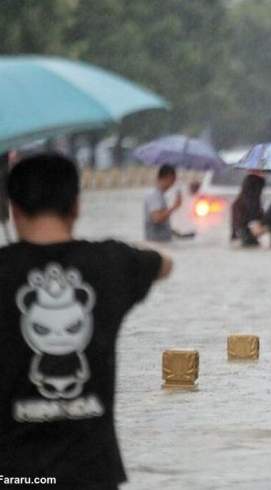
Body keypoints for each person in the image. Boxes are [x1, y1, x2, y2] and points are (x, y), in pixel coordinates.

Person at [0, 153, 172, 488]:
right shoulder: (111, 263)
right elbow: (165, 263)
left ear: (14, 209)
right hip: (93, 475)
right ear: (77, 205)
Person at [144, 164, 182, 242]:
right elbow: (157, 218)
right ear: (168, 177)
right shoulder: (154, 195)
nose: (174, 182)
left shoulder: (160, 195)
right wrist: (174, 206)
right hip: (157, 244)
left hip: (163, 242)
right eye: (173, 179)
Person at [230, 173, 266, 247]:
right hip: (248, 241)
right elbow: (256, 230)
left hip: (240, 241)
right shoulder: (251, 205)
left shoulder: (237, 203)